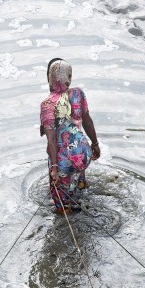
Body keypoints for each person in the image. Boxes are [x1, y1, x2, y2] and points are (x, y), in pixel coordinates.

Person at [40, 59, 100, 213]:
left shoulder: (47, 104)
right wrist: (95, 144)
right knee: (76, 149)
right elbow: (87, 120)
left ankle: (64, 208)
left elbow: (51, 140)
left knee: (60, 196)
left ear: (50, 78)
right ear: (69, 77)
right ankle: (81, 184)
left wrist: (54, 168)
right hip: (84, 153)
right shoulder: (78, 93)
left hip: (64, 160)